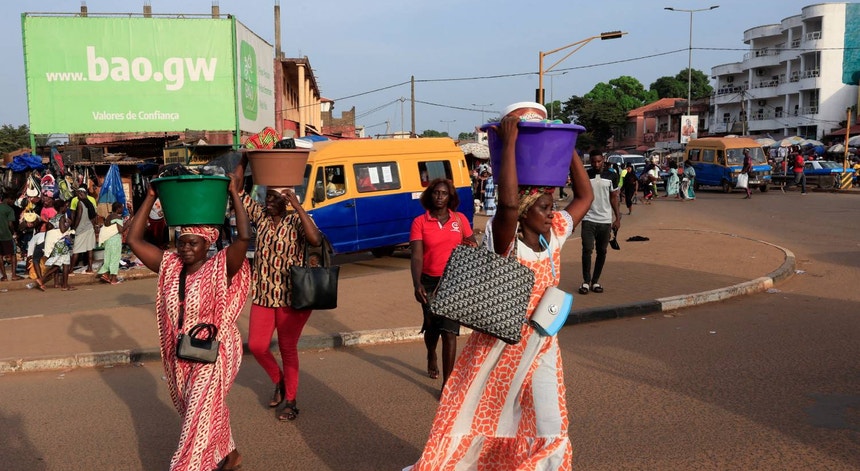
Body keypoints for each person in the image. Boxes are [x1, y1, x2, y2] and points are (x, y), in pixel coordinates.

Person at [405, 103, 594, 470]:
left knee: (552, 421)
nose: (553, 213)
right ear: (525, 211)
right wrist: (508, 144)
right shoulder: (505, 239)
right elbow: (506, 205)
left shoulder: (553, 234)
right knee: (481, 416)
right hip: (500, 347)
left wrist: (564, 145)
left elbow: (584, 197)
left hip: (542, 346)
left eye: (553, 206)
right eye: (544, 207)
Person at [126, 173, 251, 471]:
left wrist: (234, 193)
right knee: (198, 411)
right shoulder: (170, 266)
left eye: (192, 243)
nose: (184, 248)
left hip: (216, 351)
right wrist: (152, 195)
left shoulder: (221, 266)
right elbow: (133, 239)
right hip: (183, 352)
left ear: (207, 243)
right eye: (181, 242)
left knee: (196, 418)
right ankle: (230, 455)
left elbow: (244, 238)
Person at [231, 154, 323, 422]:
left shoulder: (295, 221)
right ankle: (279, 380)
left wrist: (297, 206)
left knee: (287, 349)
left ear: (285, 201)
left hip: (292, 297)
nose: (267, 202)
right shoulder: (260, 218)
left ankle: (291, 402)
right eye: (266, 197)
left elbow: (315, 239)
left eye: (273, 198)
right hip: (263, 295)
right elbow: (236, 188)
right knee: (258, 346)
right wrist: (245, 159)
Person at [409, 178, 477, 391]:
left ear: (450, 197)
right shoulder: (420, 222)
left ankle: (447, 384)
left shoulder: (460, 219)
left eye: (444, 193)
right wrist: (416, 282)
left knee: (449, 331)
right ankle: (431, 354)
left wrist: (471, 246)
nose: (439, 196)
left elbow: (471, 244)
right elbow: (417, 256)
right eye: (436, 193)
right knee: (432, 327)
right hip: (428, 281)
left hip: (453, 282)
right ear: (430, 195)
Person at [578, 152, 622, 295]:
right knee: (587, 250)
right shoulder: (586, 175)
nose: (596, 164)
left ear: (603, 160)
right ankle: (585, 281)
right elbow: (580, 196)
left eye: (598, 161)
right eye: (593, 162)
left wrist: (617, 218)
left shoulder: (612, 175)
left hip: (605, 221)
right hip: (588, 219)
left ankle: (595, 281)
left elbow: (614, 197)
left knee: (601, 251)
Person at [36, 199, 73, 291]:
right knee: (62, 264)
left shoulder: (54, 217)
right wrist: (69, 223)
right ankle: (43, 279)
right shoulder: (61, 217)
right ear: (61, 208)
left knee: (62, 264)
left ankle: (64, 285)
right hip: (61, 244)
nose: (66, 208)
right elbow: (63, 230)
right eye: (65, 206)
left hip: (57, 243)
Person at [70, 187, 97, 273]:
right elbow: (94, 217)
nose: (77, 195)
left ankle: (70, 270)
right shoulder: (90, 203)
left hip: (81, 229)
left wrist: (74, 227)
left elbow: (79, 216)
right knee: (90, 249)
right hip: (90, 228)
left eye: (79, 194)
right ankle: (90, 268)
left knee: (76, 250)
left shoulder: (80, 203)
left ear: (82, 194)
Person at [97, 202, 125, 285]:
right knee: (115, 258)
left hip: (108, 240)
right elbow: (120, 230)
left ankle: (105, 274)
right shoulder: (118, 218)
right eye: (121, 208)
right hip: (115, 240)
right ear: (118, 209)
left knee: (108, 257)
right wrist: (127, 225)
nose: (122, 209)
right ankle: (113, 279)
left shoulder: (109, 217)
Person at [0, 192, 22, 281]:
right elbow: (10, 224)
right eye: (13, 200)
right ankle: (14, 275)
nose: (13, 202)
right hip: (7, 235)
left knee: (0, 255)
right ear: (9, 199)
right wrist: (14, 232)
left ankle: (4, 276)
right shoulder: (9, 209)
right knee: (13, 254)